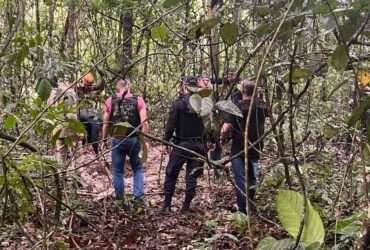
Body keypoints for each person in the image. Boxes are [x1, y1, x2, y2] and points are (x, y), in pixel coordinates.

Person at [161, 76, 208, 214]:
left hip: (182, 144)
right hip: (198, 145)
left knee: (171, 173)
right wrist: (211, 141)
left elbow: (171, 124)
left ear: (185, 86)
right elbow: (209, 125)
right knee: (192, 176)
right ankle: (186, 206)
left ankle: (167, 205)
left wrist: (166, 140)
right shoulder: (203, 104)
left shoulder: (179, 104)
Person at [220, 79, 267, 214]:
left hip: (239, 148)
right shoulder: (262, 106)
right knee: (252, 176)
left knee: (240, 178)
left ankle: (242, 208)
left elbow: (225, 128)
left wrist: (222, 138)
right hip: (256, 146)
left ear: (242, 91)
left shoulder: (237, 107)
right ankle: (250, 203)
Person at [102, 77, 149, 201]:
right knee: (137, 168)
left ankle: (120, 199)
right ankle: (138, 197)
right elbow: (144, 122)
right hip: (134, 139)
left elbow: (106, 123)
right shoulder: (138, 100)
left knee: (117, 171)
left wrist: (103, 140)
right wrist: (144, 141)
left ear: (117, 88)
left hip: (117, 139)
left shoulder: (110, 101)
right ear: (129, 87)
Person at [77, 72, 105, 155]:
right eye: (87, 84)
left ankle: (95, 150)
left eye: (90, 85)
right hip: (81, 113)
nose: (88, 86)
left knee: (95, 126)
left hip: (90, 113)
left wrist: (102, 77)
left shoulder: (90, 88)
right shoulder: (78, 88)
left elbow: (100, 87)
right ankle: (86, 147)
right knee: (88, 128)